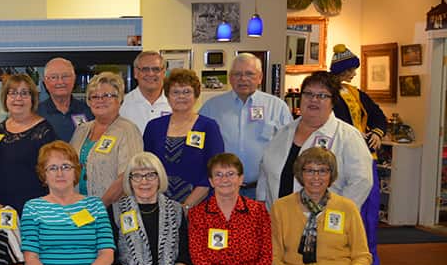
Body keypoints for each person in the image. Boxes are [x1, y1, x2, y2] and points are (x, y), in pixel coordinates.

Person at [257, 71, 372, 212]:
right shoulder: (283, 132)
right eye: (308, 94)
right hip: (278, 219)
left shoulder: (348, 136)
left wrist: (336, 214)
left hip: (321, 223)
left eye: (322, 95)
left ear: (333, 101)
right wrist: (262, 205)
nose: (314, 99)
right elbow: (265, 170)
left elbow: (361, 181)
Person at [330, 44, 388, 265]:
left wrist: (376, 131)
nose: (353, 74)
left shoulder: (356, 93)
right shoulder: (329, 94)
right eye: (351, 69)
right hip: (338, 162)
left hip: (367, 160)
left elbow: (378, 116)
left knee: (368, 220)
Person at [199, 53, 292, 199]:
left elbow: (288, 148)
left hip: (262, 190)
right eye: (237, 74)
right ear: (230, 78)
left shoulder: (277, 107)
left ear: (260, 78)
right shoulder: (211, 107)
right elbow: (199, 146)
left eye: (249, 74)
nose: (243, 79)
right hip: (222, 190)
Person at [142, 69, 224, 208]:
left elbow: (215, 170)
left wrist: (186, 206)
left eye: (186, 92)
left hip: (199, 205)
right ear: (167, 96)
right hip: (159, 205)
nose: (181, 96)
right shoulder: (154, 127)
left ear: (196, 95)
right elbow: (145, 168)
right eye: (175, 92)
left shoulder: (208, 127)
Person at [0, 73, 60, 216]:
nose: (18, 98)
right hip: (0, 207)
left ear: (32, 99)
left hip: (34, 208)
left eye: (24, 93)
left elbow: (54, 174)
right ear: (5, 98)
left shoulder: (44, 132)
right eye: (13, 93)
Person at [69, 71, 143, 206]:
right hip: (79, 208)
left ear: (119, 99)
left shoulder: (127, 130)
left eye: (107, 95)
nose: (100, 100)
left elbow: (127, 176)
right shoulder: (82, 130)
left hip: (112, 210)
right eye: (94, 96)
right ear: (89, 101)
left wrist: (100, 207)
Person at [38, 57, 92, 141]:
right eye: (54, 77)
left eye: (65, 76)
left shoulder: (89, 111)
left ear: (74, 79)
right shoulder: (36, 113)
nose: (60, 82)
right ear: (45, 82)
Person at [120, 51, 172, 132]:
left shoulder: (174, 104)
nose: (151, 74)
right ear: (135, 73)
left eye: (156, 69)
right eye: (145, 69)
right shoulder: (121, 105)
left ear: (164, 73)